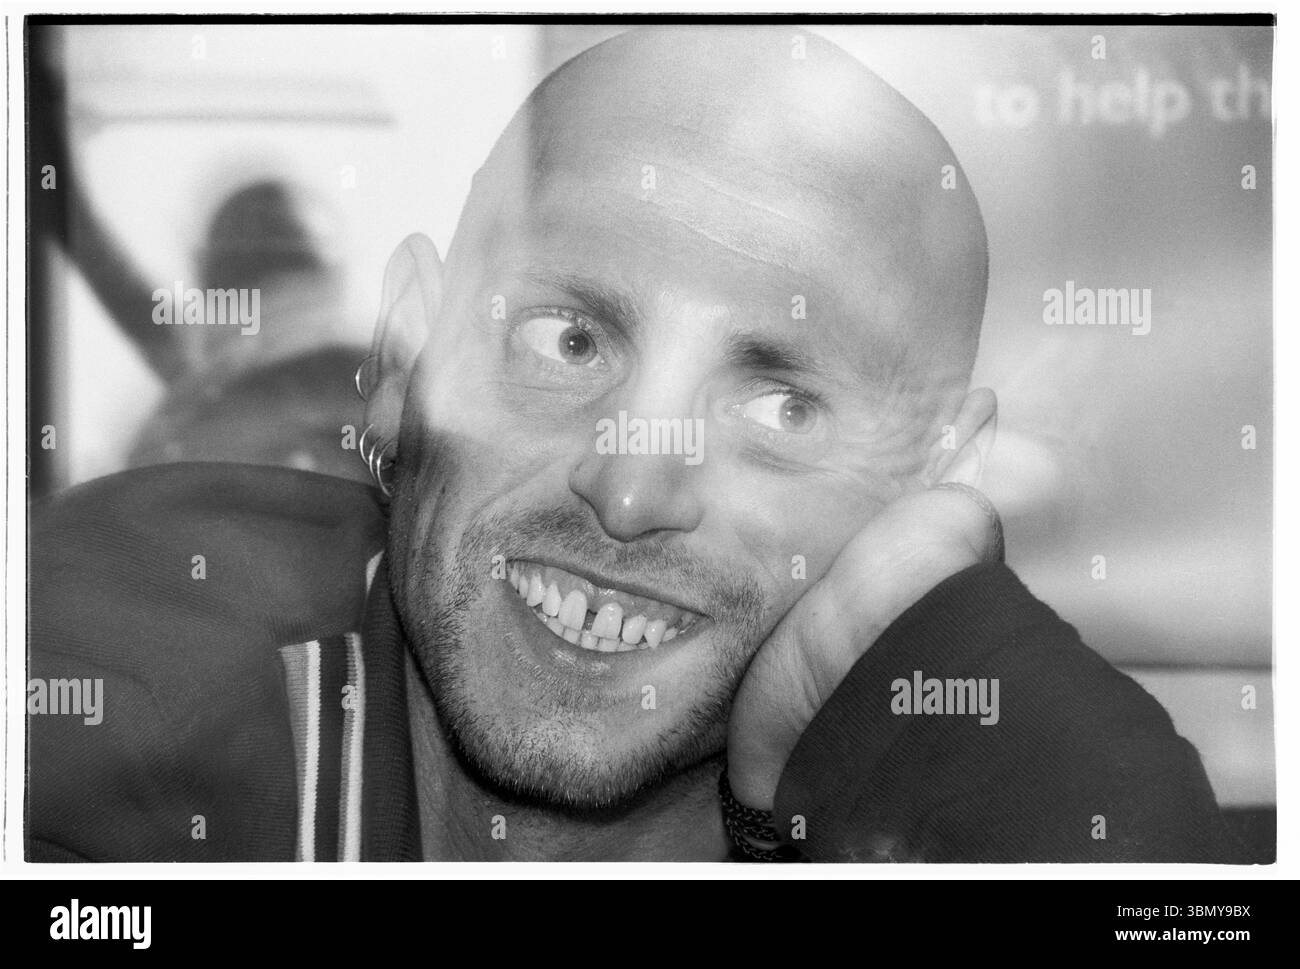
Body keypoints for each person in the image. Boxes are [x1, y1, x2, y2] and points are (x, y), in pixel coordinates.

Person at [27, 26, 1246, 863]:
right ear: (408, 348)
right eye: (568, 342)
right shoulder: (87, 674)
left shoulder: (1030, 796)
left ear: (939, 478)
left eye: (779, 410)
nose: (628, 486)